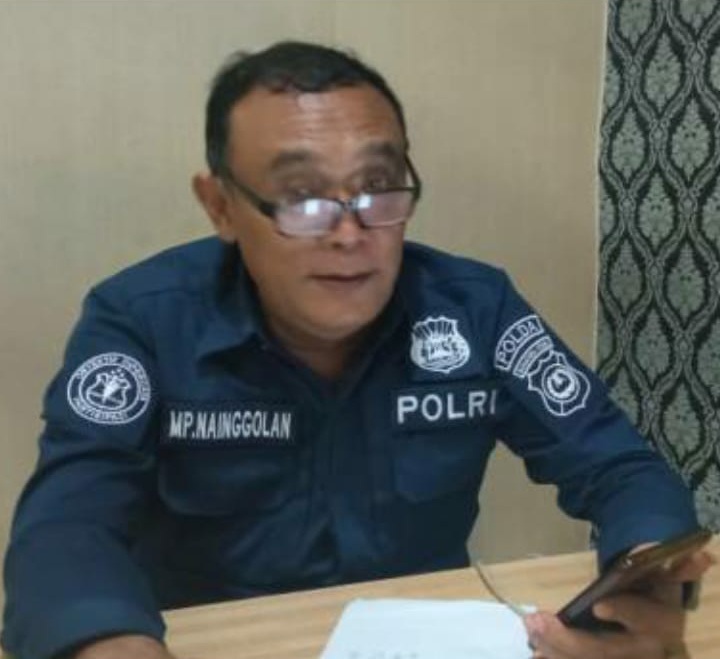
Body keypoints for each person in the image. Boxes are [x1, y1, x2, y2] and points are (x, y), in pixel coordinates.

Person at [1, 41, 713, 659]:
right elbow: (66, 527)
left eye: (377, 187)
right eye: (301, 195)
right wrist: (111, 644)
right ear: (220, 206)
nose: (349, 234)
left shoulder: (476, 309)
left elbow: (620, 468)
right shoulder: (143, 320)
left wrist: (643, 581)